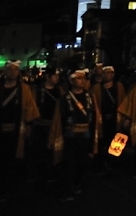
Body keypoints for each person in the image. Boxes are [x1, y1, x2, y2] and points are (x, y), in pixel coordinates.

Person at [0, 61, 40, 202]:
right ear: (4, 72)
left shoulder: (25, 90)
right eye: (9, 69)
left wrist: (28, 125)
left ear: (19, 73)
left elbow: (30, 108)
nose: (12, 72)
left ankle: (8, 188)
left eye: (15, 70)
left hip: (16, 131)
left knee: (12, 160)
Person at [58, 69, 101, 201]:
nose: (82, 81)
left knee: (83, 162)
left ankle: (78, 182)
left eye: (83, 78)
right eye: (78, 78)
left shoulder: (90, 96)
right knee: (69, 163)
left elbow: (94, 116)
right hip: (70, 135)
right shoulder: (64, 97)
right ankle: (67, 189)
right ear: (71, 81)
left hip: (86, 134)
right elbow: (60, 118)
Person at [90, 64, 125, 173]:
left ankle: (112, 162)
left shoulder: (119, 86)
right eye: (105, 73)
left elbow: (124, 102)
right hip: (101, 118)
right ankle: (100, 162)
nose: (107, 75)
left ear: (113, 74)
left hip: (115, 118)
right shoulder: (96, 88)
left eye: (110, 73)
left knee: (115, 141)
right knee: (101, 141)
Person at [31, 66, 62, 183]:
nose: (57, 78)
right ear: (48, 77)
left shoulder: (59, 90)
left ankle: (51, 172)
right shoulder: (38, 90)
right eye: (55, 75)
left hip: (55, 125)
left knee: (53, 149)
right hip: (40, 124)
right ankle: (38, 173)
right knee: (39, 149)